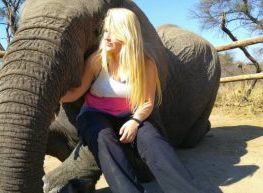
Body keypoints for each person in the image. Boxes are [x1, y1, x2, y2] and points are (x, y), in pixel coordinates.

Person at [60, 8, 200, 193]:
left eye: (114, 32)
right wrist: (52, 97)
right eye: (107, 31)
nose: (107, 37)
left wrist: (135, 122)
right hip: (95, 114)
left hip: (130, 114)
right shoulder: (97, 60)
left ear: (128, 35)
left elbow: (147, 102)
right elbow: (76, 92)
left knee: (152, 139)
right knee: (103, 137)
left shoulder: (146, 64)